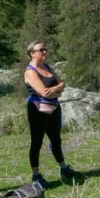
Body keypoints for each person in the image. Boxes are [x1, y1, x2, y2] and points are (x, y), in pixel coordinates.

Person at [24, 41, 76, 187]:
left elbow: (61, 84)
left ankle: (63, 168)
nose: (45, 52)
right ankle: (36, 175)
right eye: (41, 50)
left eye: (45, 49)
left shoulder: (47, 67)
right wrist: (56, 90)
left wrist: (55, 89)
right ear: (32, 53)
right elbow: (43, 93)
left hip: (54, 109)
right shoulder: (30, 72)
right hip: (37, 110)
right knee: (37, 142)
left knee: (56, 139)